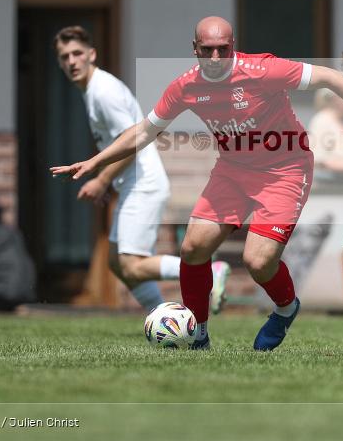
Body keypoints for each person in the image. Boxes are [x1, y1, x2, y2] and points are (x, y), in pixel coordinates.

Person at [51, 16, 343, 351]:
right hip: (233, 169)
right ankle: (198, 333)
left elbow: (330, 77)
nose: (215, 57)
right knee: (193, 248)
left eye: (222, 49)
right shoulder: (186, 86)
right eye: (207, 49)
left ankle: (286, 307)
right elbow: (144, 130)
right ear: (195, 49)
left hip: (286, 169)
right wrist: (95, 162)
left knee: (258, 263)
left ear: (233, 46)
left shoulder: (263, 70)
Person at [53, 26, 230, 313]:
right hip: (133, 184)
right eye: (64, 57)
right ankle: (164, 318)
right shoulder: (91, 90)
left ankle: (210, 269)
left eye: (76, 54)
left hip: (143, 184)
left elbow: (133, 141)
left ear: (91, 54)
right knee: (116, 261)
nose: (71, 61)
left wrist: (101, 180)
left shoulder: (103, 91)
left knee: (132, 266)